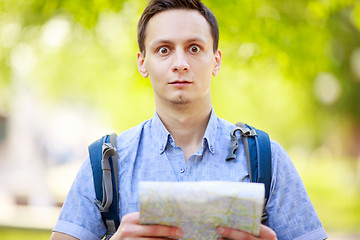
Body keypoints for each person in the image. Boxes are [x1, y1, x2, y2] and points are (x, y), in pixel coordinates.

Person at [50, 0, 328, 239]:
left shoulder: (267, 158)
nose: (180, 62)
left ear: (216, 60)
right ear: (142, 62)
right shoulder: (105, 162)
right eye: (163, 49)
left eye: (194, 48)